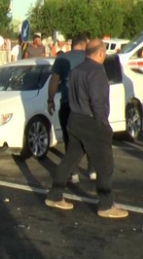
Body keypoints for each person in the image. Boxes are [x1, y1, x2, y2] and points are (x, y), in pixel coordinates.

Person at [45, 39, 128, 219]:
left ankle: (54, 195)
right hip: (92, 121)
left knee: (69, 160)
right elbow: (98, 102)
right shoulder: (97, 71)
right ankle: (106, 205)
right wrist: (104, 125)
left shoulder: (77, 70)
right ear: (100, 53)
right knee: (105, 164)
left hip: (75, 119)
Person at [47, 33, 93, 183]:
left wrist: (50, 101)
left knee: (69, 139)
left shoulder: (62, 59)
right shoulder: (90, 57)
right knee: (89, 137)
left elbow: (54, 81)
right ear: (83, 44)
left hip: (67, 103)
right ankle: (92, 169)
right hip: (87, 104)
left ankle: (73, 173)